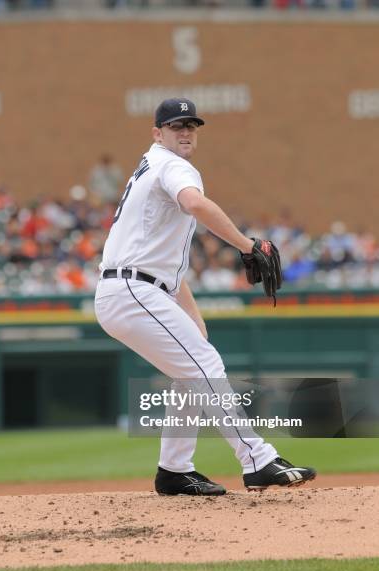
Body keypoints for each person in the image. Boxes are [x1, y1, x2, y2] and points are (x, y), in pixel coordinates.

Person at [94, 98, 316, 495]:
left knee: (190, 369)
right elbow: (195, 204)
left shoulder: (151, 167)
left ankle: (174, 471)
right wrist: (248, 245)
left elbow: (165, 268)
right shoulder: (171, 165)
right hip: (132, 290)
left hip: (133, 289)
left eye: (191, 126)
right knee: (204, 363)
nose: (184, 132)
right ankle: (258, 459)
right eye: (176, 125)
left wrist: (194, 317)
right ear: (157, 133)